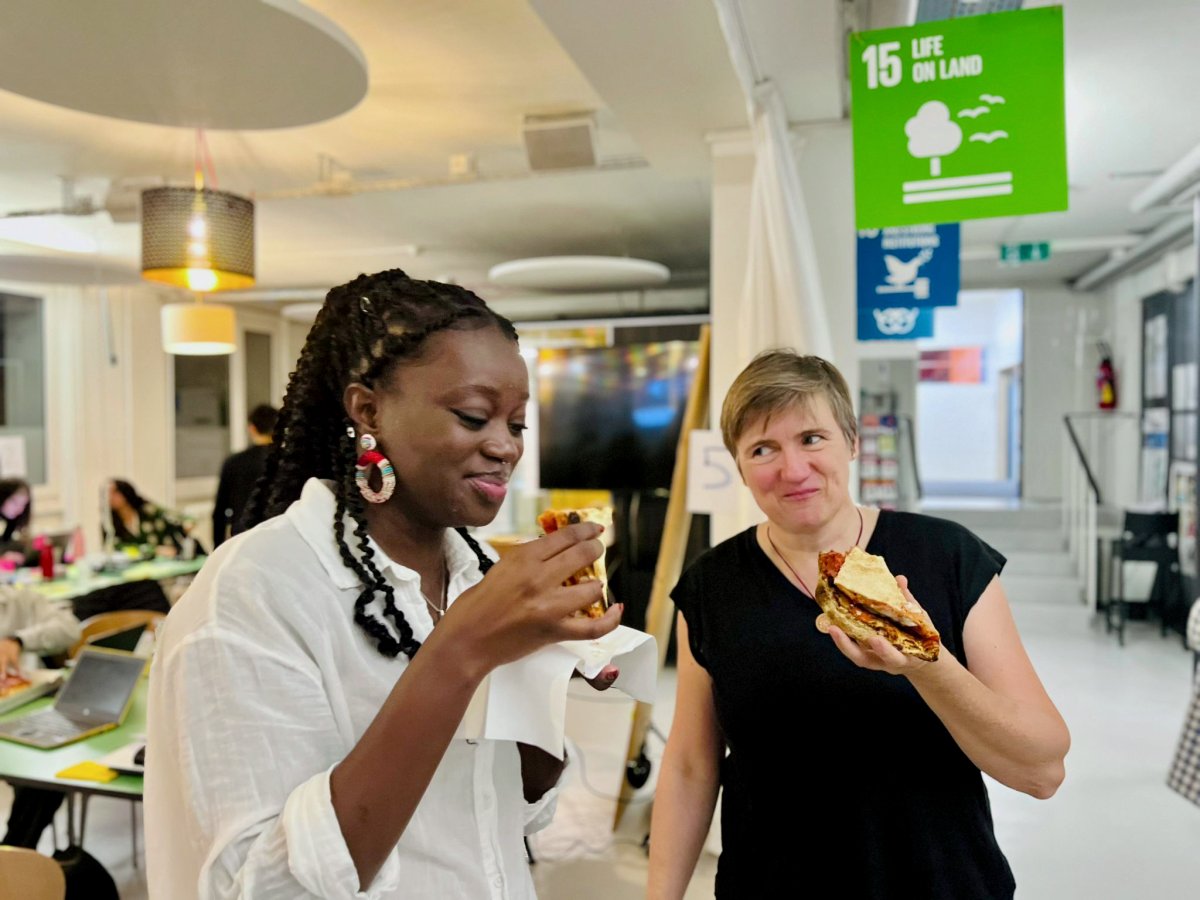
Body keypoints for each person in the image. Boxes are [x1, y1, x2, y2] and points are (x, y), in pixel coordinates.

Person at [145, 269, 623, 899]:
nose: (504, 447)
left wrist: (537, 678)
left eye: (517, 424)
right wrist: (462, 651)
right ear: (368, 410)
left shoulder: (474, 572)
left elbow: (517, 813)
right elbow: (265, 888)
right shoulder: (253, 592)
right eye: (474, 416)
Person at [646, 350, 1070, 899]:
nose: (792, 469)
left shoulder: (947, 557)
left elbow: (1043, 769)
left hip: (940, 884)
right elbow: (689, 767)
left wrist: (923, 660)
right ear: (740, 466)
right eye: (763, 449)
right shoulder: (711, 585)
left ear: (852, 442)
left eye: (812, 438)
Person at [1, 584, 82, 849]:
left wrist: (19, 640)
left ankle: (15, 856)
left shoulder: (17, 599)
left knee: (46, 771)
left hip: (17, 715)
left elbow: (70, 628)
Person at [211, 403, 278, 547]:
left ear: (252, 428)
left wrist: (217, 549)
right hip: (276, 536)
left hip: (242, 538)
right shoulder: (287, 461)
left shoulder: (234, 463)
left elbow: (220, 511)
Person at [105, 478, 201, 556]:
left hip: (164, 563)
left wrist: (185, 527)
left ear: (124, 493)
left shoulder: (149, 511)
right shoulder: (109, 522)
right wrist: (153, 550)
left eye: (114, 492)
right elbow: (117, 547)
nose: (110, 497)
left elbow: (182, 517)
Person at [0, 478, 33, 563]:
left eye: (23, 505)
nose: (20, 509)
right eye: (15, 502)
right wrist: (2, 558)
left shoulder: (10, 524)